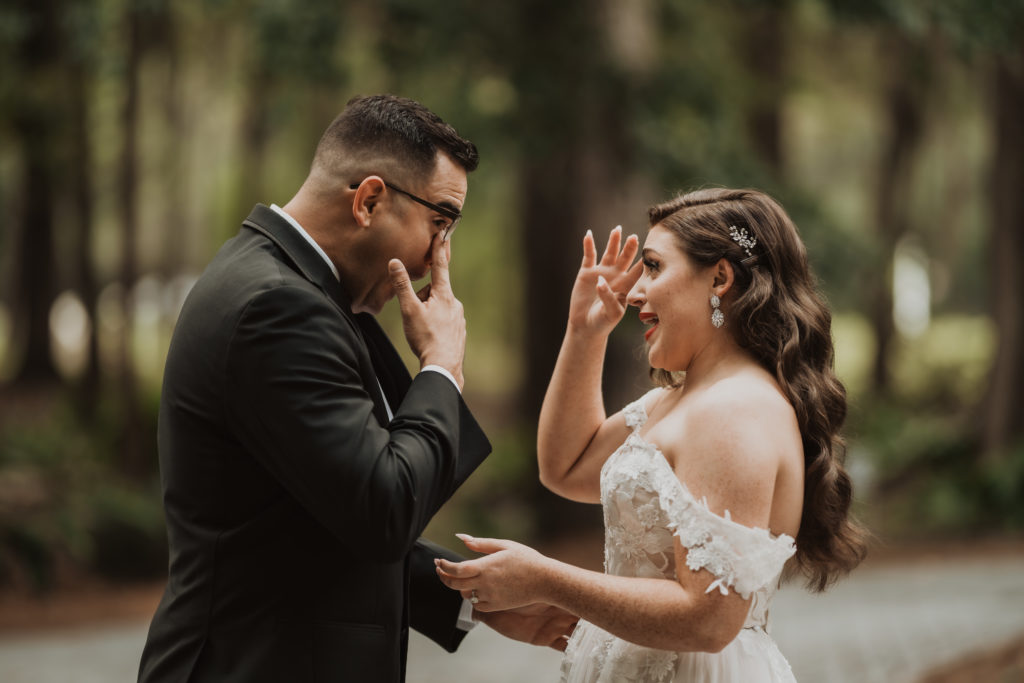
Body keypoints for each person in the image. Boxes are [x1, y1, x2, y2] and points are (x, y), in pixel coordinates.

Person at [138, 94, 576, 683]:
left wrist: (472, 595)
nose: (437, 257)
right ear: (370, 200)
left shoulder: (287, 286)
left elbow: (306, 517)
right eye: (440, 223)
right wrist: (441, 367)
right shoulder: (280, 308)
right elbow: (383, 506)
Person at [437, 188, 869, 681]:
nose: (634, 292)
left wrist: (545, 579)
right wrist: (584, 331)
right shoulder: (680, 399)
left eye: (654, 267)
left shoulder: (733, 411)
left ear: (720, 277)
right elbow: (566, 466)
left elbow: (709, 619)